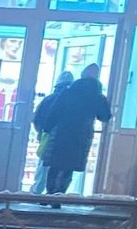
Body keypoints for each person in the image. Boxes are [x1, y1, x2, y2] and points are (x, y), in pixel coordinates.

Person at [39, 64, 111, 198]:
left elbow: (55, 111)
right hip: (82, 135)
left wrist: (48, 128)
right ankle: (60, 194)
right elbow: (105, 116)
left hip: (62, 133)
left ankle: (49, 193)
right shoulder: (97, 95)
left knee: (55, 165)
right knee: (69, 167)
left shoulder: (69, 91)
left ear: (82, 75)